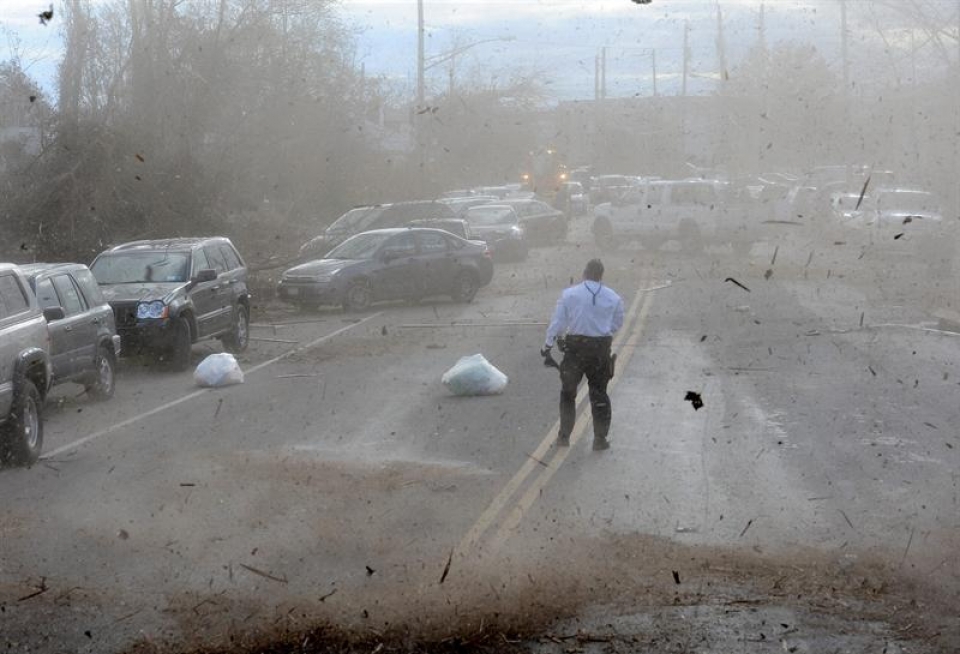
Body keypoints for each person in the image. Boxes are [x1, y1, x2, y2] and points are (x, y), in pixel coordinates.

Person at [541, 259, 625, 451]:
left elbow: (558, 322)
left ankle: (564, 436)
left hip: (575, 350)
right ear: (601, 275)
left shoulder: (569, 294)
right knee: (599, 393)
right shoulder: (613, 297)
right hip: (600, 351)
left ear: (584, 273)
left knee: (568, 393)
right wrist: (601, 332)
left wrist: (547, 345)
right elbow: (617, 323)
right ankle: (600, 439)